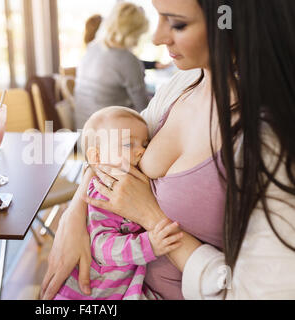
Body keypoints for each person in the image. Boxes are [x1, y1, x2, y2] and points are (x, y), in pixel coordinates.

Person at [41, 0, 295, 300]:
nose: (157, 37)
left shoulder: (270, 142)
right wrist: (75, 213)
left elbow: (256, 293)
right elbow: (110, 150)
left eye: (177, 23)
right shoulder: (182, 85)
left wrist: (152, 217)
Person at [55, 107, 183, 300]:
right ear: (97, 157)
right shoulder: (103, 193)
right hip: (91, 293)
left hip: (120, 286)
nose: (141, 151)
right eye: (128, 145)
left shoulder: (127, 185)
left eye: (145, 144)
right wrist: (150, 245)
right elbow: (100, 246)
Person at [74, 2, 152, 130]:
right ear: (135, 32)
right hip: (108, 139)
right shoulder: (128, 60)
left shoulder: (91, 48)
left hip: (82, 134)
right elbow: (144, 110)